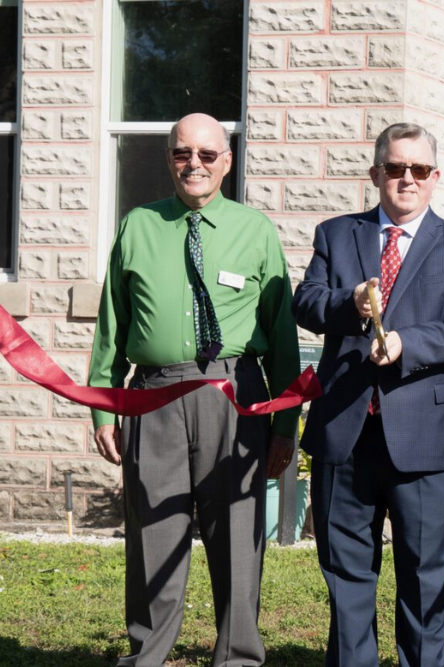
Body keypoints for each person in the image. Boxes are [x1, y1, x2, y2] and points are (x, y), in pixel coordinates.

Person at [88, 113, 301, 666]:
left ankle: (237, 658)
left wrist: (284, 426)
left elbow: (280, 338)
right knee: (153, 535)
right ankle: (149, 655)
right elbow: (112, 324)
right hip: (154, 397)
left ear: (226, 161)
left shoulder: (255, 230)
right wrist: (103, 410)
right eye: (183, 153)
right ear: (169, 159)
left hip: (235, 396)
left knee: (237, 538)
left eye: (207, 154)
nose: (195, 165)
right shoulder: (137, 225)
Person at [292, 122, 444, 667]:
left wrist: (409, 342)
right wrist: (348, 302)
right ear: (376, 173)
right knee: (346, 576)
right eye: (396, 168)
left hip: (425, 438)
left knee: (425, 580)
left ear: (435, 178)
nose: (408, 179)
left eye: (419, 170)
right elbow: (306, 302)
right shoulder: (337, 234)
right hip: (347, 433)